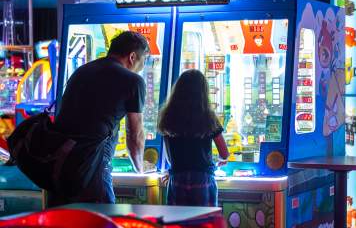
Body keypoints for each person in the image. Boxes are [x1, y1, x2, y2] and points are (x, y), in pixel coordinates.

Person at [50, 31, 150, 206]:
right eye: (143, 62)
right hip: (94, 167)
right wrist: (140, 169)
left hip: (61, 166)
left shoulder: (82, 72)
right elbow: (135, 135)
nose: (141, 68)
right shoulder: (133, 81)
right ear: (132, 57)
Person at [158, 69, 229, 206]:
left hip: (177, 178)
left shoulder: (168, 116)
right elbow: (224, 152)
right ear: (203, 92)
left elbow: (168, 157)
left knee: (178, 224)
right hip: (203, 177)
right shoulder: (208, 116)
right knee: (203, 223)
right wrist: (221, 160)